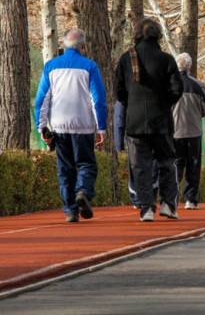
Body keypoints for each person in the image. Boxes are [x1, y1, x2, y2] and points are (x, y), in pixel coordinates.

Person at [35, 28, 107, 223]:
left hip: (59, 125)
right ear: (83, 45)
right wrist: (101, 128)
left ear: (64, 44)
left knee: (65, 168)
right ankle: (83, 191)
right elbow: (97, 98)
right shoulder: (90, 66)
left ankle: (71, 211)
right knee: (86, 164)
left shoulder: (51, 66)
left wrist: (41, 126)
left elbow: (42, 99)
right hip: (83, 125)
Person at [115, 18, 183, 222]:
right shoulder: (167, 59)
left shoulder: (126, 59)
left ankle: (146, 208)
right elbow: (177, 89)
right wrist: (164, 103)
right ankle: (168, 205)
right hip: (161, 122)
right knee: (167, 163)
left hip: (135, 123)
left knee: (140, 166)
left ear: (137, 33)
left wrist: (132, 104)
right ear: (158, 35)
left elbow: (119, 90)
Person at [173, 53, 205, 209]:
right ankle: (190, 199)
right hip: (194, 131)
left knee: (176, 165)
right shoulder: (198, 85)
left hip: (175, 131)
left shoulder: (170, 85)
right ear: (191, 67)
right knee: (193, 165)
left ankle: (172, 198)